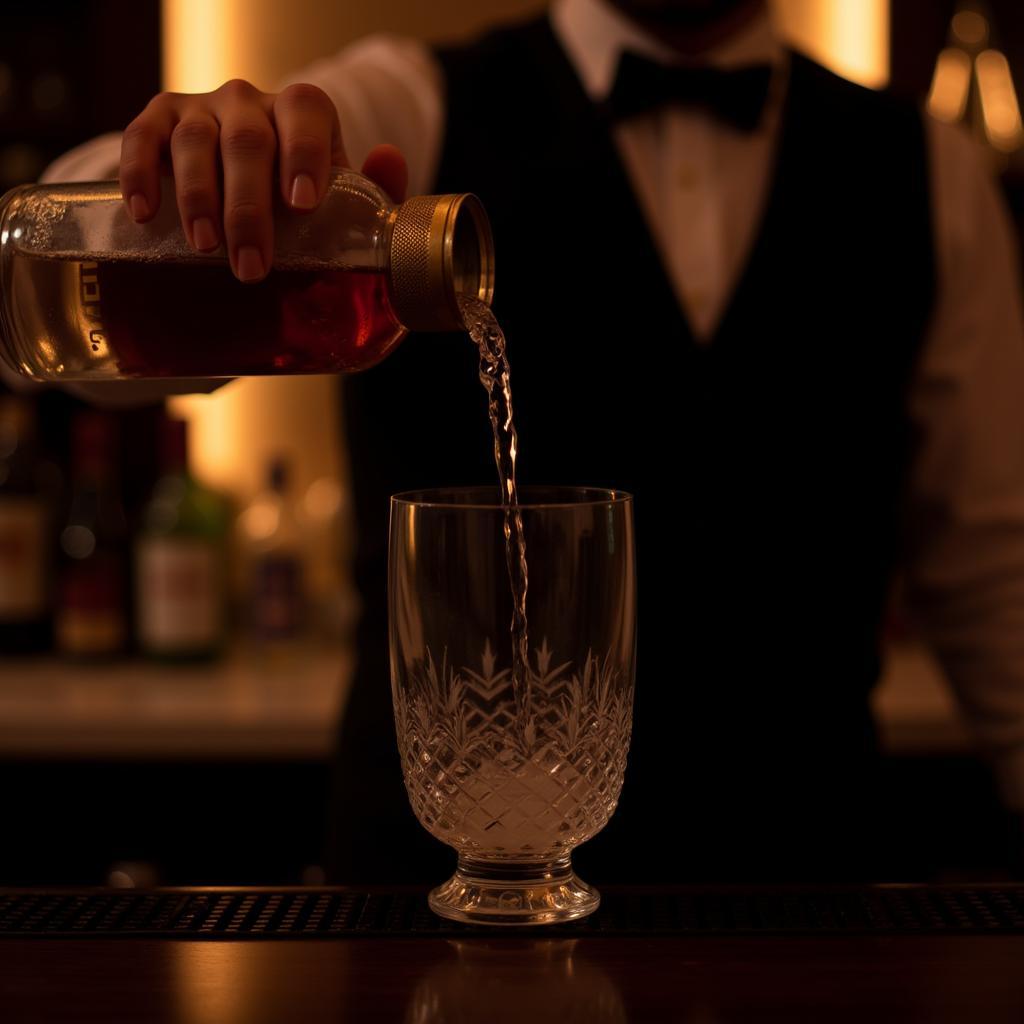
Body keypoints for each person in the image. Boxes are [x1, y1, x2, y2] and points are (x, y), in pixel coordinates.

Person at [46, 0, 1024, 881]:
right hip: (426, 913)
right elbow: (72, 339)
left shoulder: (930, 169)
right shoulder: (408, 103)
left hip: (806, 898)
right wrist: (195, 169)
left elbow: (997, 575)